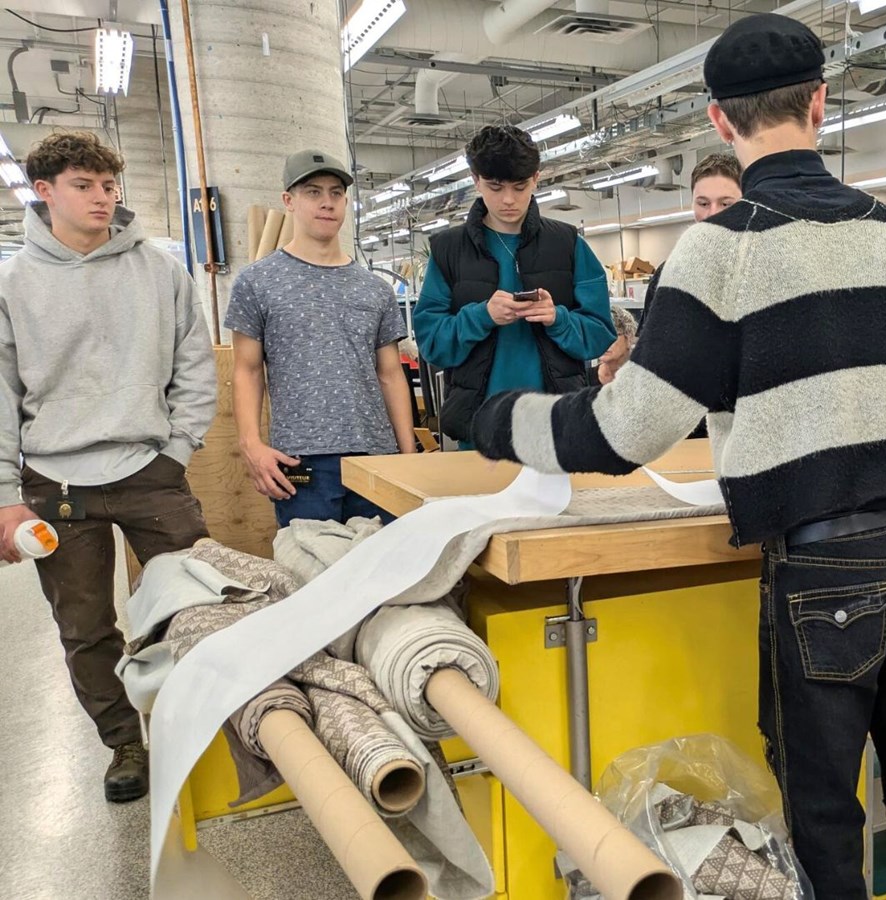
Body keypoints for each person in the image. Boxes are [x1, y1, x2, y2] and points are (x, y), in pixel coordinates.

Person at [469, 13, 886, 898]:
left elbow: (622, 433)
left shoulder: (720, 250)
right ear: (821, 105)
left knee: (825, 806)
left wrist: (498, 421)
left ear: (720, 121)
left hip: (825, 564)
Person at [0, 131, 215, 802]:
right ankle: (123, 740)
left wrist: (176, 449)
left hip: (151, 472)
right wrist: (6, 494)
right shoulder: (13, 282)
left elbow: (194, 364)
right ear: (44, 192)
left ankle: (209, 720)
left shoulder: (159, 270)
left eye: (108, 185)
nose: (102, 197)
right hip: (57, 484)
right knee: (86, 627)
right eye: (84, 185)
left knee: (199, 604)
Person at [226, 150, 415, 526]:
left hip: (375, 458)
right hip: (300, 461)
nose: (327, 202)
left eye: (335, 193)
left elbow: (391, 374)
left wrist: (407, 455)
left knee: (386, 577)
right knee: (314, 574)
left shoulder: (374, 290)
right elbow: (247, 371)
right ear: (289, 201)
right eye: (313, 192)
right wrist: (251, 445)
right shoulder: (257, 282)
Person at [413, 124, 616, 445]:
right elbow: (431, 344)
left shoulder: (568, 245)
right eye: (495, 187)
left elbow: (600, 334)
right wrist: (481, 316)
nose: (509, 199)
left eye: (520, 186)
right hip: (478, 428)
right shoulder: (448, 250)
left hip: (556, 426)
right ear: (476, 180)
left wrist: (557, 318)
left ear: (536, 178)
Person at [635, 151, 743, 332]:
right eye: (703, 204)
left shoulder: (764, 268)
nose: (712, 214)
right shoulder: (669, 272)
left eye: (726, 204)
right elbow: (650, 347)